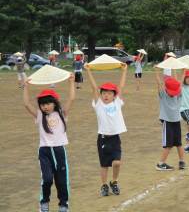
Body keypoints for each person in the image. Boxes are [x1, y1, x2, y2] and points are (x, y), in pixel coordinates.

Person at [23, 74, 75, 212]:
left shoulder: (61, 114)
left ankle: (63, 205)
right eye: (42, 104)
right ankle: (44, 204)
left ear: (54, 103)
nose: (45, 107)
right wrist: (26, 86)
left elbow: (71, 98)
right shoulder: (39, 115)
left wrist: (71, 82)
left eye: (47, 103)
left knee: (62, 181)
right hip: (45, 152)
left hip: (59, 151)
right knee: (47, 179)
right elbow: (27, 104)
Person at [85, 63, 128, 197]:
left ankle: (114, 181)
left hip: (115, 138)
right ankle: (104, 185)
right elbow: (93, 87)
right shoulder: (98, 104)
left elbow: (120, 87)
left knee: (117, 162)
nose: (106, 95)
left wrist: (124, 70)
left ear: (114, 95)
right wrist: (88, 71)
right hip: (103, 138)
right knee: (104, 165)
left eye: (109, 93)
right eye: (104, 93)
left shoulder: (117, 103)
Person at [155, 67, 185, 171]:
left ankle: (182, 161)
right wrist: (156, 71)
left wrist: (183, 71)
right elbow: (159, 84)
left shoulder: (177, 95)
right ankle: (161, 163)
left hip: (176, 121)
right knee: (168, 145)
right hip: (167, 122)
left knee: (179, 143)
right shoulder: (164, 95)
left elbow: (179, 83)